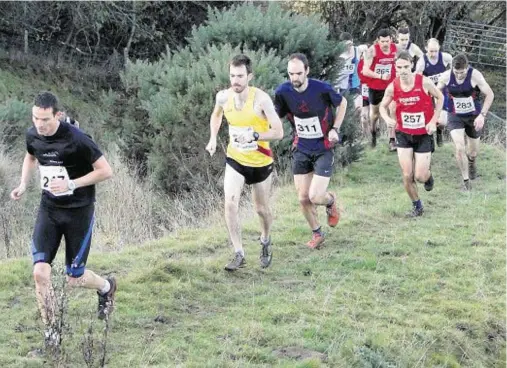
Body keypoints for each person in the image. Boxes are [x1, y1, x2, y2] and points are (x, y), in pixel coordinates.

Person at [10, 92, 116, 348]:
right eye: (35, 118)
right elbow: (31, 155)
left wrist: (71, 183)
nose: (39, 124)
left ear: (57, 115)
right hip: (49, 209)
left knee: (74, 278)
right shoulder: (33, 135)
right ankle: (52, 335)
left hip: (78, 211)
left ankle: (105, 286)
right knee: (40, 273)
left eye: (45, 119)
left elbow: (106, 171)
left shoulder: (77, 139)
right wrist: (24, 183)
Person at [206, 54, 284, 271]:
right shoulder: (223, 97)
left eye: (240, 76)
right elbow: (216, 116)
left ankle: (266, 239)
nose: (235, 81)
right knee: (230, 203)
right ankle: (238, 252)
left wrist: (256, 136)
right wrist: (213, 138)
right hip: (236, 159)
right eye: (232, 76)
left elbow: (278, 132)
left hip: (260, 162)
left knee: (261, 209)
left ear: (249, 76)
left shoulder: (261, 100)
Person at [274, 53, 347, 249]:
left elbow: (343, 103)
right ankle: (317, 233)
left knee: (316, 196)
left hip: (323, 147)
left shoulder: (321, 88)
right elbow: (278, 117)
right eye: (291, 74)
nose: (294, 78)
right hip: (302, 148)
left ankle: (330, 201)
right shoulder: (283, 92)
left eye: (298, 73)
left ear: (307, 71)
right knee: (303, 198)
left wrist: (335, 129)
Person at [380, 51, 444, 216]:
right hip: (403, 134)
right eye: (399, 67)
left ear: (412, 66)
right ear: (395, 67)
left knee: (420, 176)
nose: (403, 71)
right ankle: (417, 207)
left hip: (423, 134)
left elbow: (440, 98)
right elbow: (382, 106)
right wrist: (387, 118)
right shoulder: (392, 86)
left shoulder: (424, 82)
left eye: (406, 67)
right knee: (407, 175)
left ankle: (428, 177)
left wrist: (433, 121)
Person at [436, 53, 495, 190]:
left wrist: (482, 115)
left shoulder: (475, 75)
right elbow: (436, 92)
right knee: (459, 147)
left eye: (461, 72)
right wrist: (438, 111)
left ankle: (471, 162)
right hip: (455, 115)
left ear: (467, 68)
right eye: (456, 72)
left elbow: (490, 94)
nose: (458, 75)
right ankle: (466, 181)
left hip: (473, 116)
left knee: (473, 153)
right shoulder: (445, 76)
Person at [362, 29, 398, 150]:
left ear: (391, 40)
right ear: (378, 41)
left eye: (387, 41)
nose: (385, 44)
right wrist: (381, 76)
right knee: (375, 115)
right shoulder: (372, 50)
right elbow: (365, 71)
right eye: (382, 41)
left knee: (393, 109)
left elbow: (404, 60)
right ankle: (373, 133)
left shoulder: (396, 49)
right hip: (375, 87)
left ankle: (392, 140)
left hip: (390, 86)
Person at [416, 38, 453, 146]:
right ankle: (430, 138)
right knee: (427, 117)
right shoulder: (422, 61)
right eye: (431, 51)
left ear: (439, 49)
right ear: (426, 49)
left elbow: (454, 70)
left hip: (442, 91)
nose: (433, 54)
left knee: (442, 122)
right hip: (428, 92)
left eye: (436, 51)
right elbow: (418, 79)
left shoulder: (446, 57)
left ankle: (440, 132)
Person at [335, 32, 368, 112]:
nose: (348, 47)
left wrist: (366, 60)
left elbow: (367, 47)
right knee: (342, 111)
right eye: (345, 45)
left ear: (352, 41)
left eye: (350, 45)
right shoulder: (338, 55)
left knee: (359, 108)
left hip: (355, 86)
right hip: (342, 87)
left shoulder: (358, 50)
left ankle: (360, 123)